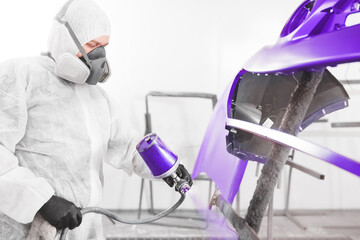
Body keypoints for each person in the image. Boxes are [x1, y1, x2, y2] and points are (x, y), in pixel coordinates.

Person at [0, 0, 192, 239]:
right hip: (29, 228)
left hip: (84, 229)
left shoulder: (97, 99)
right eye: (91, 44)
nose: (98, 56)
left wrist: (168, 167)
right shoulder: (21, 75)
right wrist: (42, 201)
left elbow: (129, 146)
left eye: (103, 45)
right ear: (65, 41)